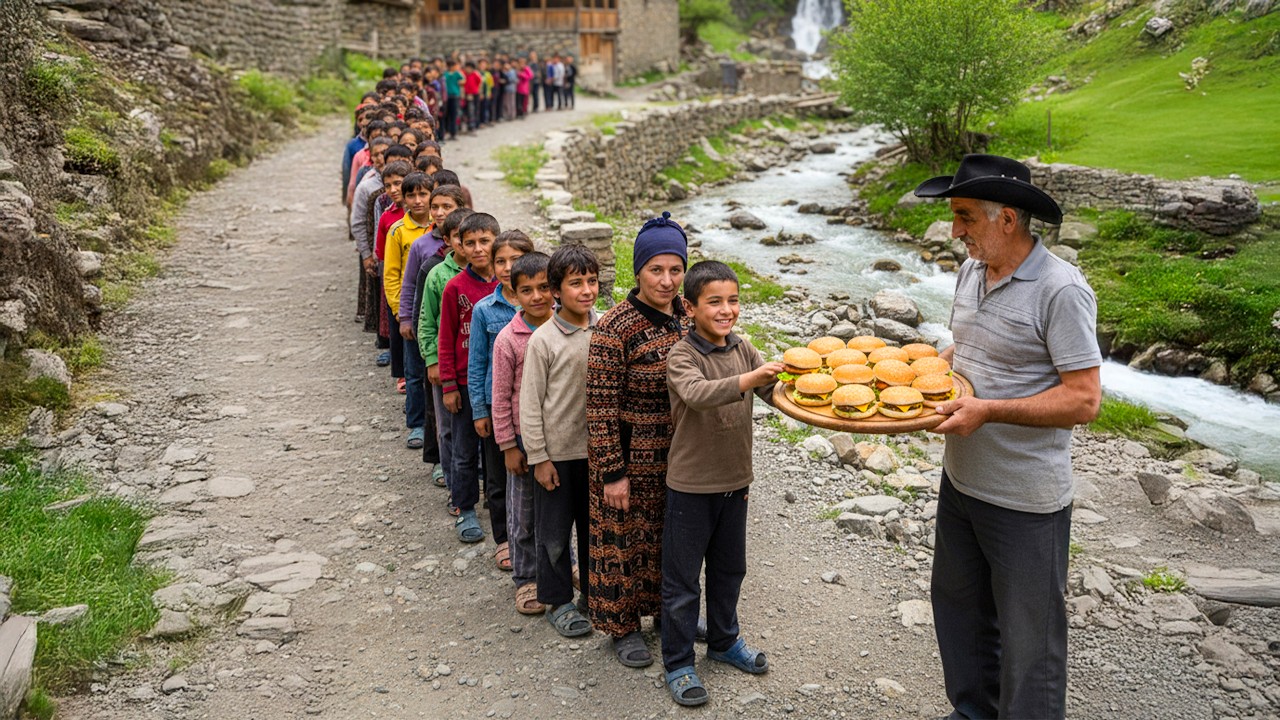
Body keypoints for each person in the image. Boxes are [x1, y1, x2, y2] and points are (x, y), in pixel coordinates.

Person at [913, 153, 1102, 720]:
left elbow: (1084, 398)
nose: (954, 230)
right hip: (961, 482)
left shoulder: (1061, 289)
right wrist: (921, 371)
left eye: (965, 216)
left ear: (1008, 220)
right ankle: (971, 713)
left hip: (1026, 500)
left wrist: (988, 410)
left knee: (1030, 643)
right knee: (959, 611)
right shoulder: (972, 271)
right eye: (954, 215)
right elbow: (967, 350)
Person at [659, 260, 781, 706]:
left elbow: (775, 392)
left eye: (733, 300)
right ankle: (678, 662)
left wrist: (812, 384)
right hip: (691, 486)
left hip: (735, 481)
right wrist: (751, 379)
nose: (726, 309)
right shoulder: (682, 355)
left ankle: (725, 641)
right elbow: (698, 394)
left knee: (730, 569)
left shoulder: (744, 348)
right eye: (715, 302)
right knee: (682, 579)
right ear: (689, 307)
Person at [586, 212, 691, 668]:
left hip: (681, 459)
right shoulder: (614, 328)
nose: (667, 281)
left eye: (675, 269)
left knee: (672, 545)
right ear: (638, 271)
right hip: (628, 461)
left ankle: (670, 618)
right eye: (656, 270)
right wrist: (613, 473)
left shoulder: (690, 314)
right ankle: (623, 627)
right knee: (624, 547)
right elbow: (599, 408)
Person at [521, 245, 600, 638]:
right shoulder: (544, 340)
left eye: (591, 281)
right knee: (553, 531)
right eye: (575, 283)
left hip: (597, 452)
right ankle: (558, 600)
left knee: (593, 527)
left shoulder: (603, 329)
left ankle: (590, 590)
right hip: (557, 454)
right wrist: (538, 456)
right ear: (555, 290)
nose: (586, 290)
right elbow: (530, 403)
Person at [468, 230, 535, 569]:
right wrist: (480, 410)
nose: (509, 267)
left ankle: (535, 538)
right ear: (492, 267)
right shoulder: (485, 310)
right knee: (498, 475)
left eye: (517, 260)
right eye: (501, 261)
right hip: (500, 407)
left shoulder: (546, 306)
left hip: (537, 412)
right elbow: (477, 362)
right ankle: (505, 538)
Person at [491, 251, 552, 615]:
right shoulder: (509, 339)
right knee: (524, 513)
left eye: (544, 287)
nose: (537, 297)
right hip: (524, 443)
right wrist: (508, 444)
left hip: (560, 439)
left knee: (559, 510)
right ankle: (526, 576)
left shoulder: (565, 328)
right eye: (527, 290)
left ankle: (565, 565)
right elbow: (501, 396)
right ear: (513, 295)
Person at [438, 213, 501, 543]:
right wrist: (449, 384)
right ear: (458, 244)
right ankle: (464, 507)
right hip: (464, 381)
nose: (478, 249)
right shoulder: (455, 288)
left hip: (499, 384)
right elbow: (446, 338)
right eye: (470, 242)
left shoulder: (507, 286)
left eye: (485, 241)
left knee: (495, 450)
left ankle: (497, 501)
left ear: (496, 242)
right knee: (464, 450)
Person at [417, 206, 474, 493]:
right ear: (449, 241)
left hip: (478, 369)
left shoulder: (492, 276)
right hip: (448, 364)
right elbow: (427, 321)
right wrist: (432, 360)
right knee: (449, 428)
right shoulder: (439, 275)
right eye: (461, 238)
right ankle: (456, 486)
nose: (470, 246)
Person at [443, 60, 464, 140]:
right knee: (447, 114)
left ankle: (453, 132)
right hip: (447, 96)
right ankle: (447, 130)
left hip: (455, 95)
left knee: (454, 114)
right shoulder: (445, 74)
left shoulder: (457, 73)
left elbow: (463, 80)